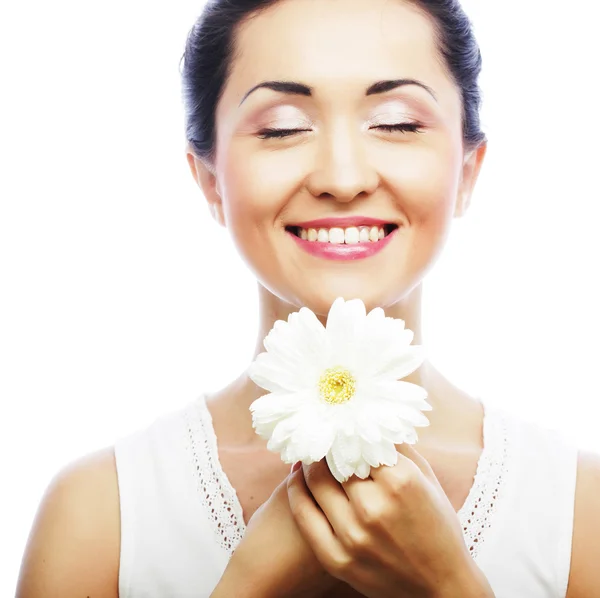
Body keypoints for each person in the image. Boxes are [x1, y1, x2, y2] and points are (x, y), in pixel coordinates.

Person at [16, 0, 600, 596]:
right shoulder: (101, 513)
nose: (342, 178)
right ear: (209, 179)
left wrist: (449, 584)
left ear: (469, 171)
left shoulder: (577, 509)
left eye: (397, 122)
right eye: (283, 128)